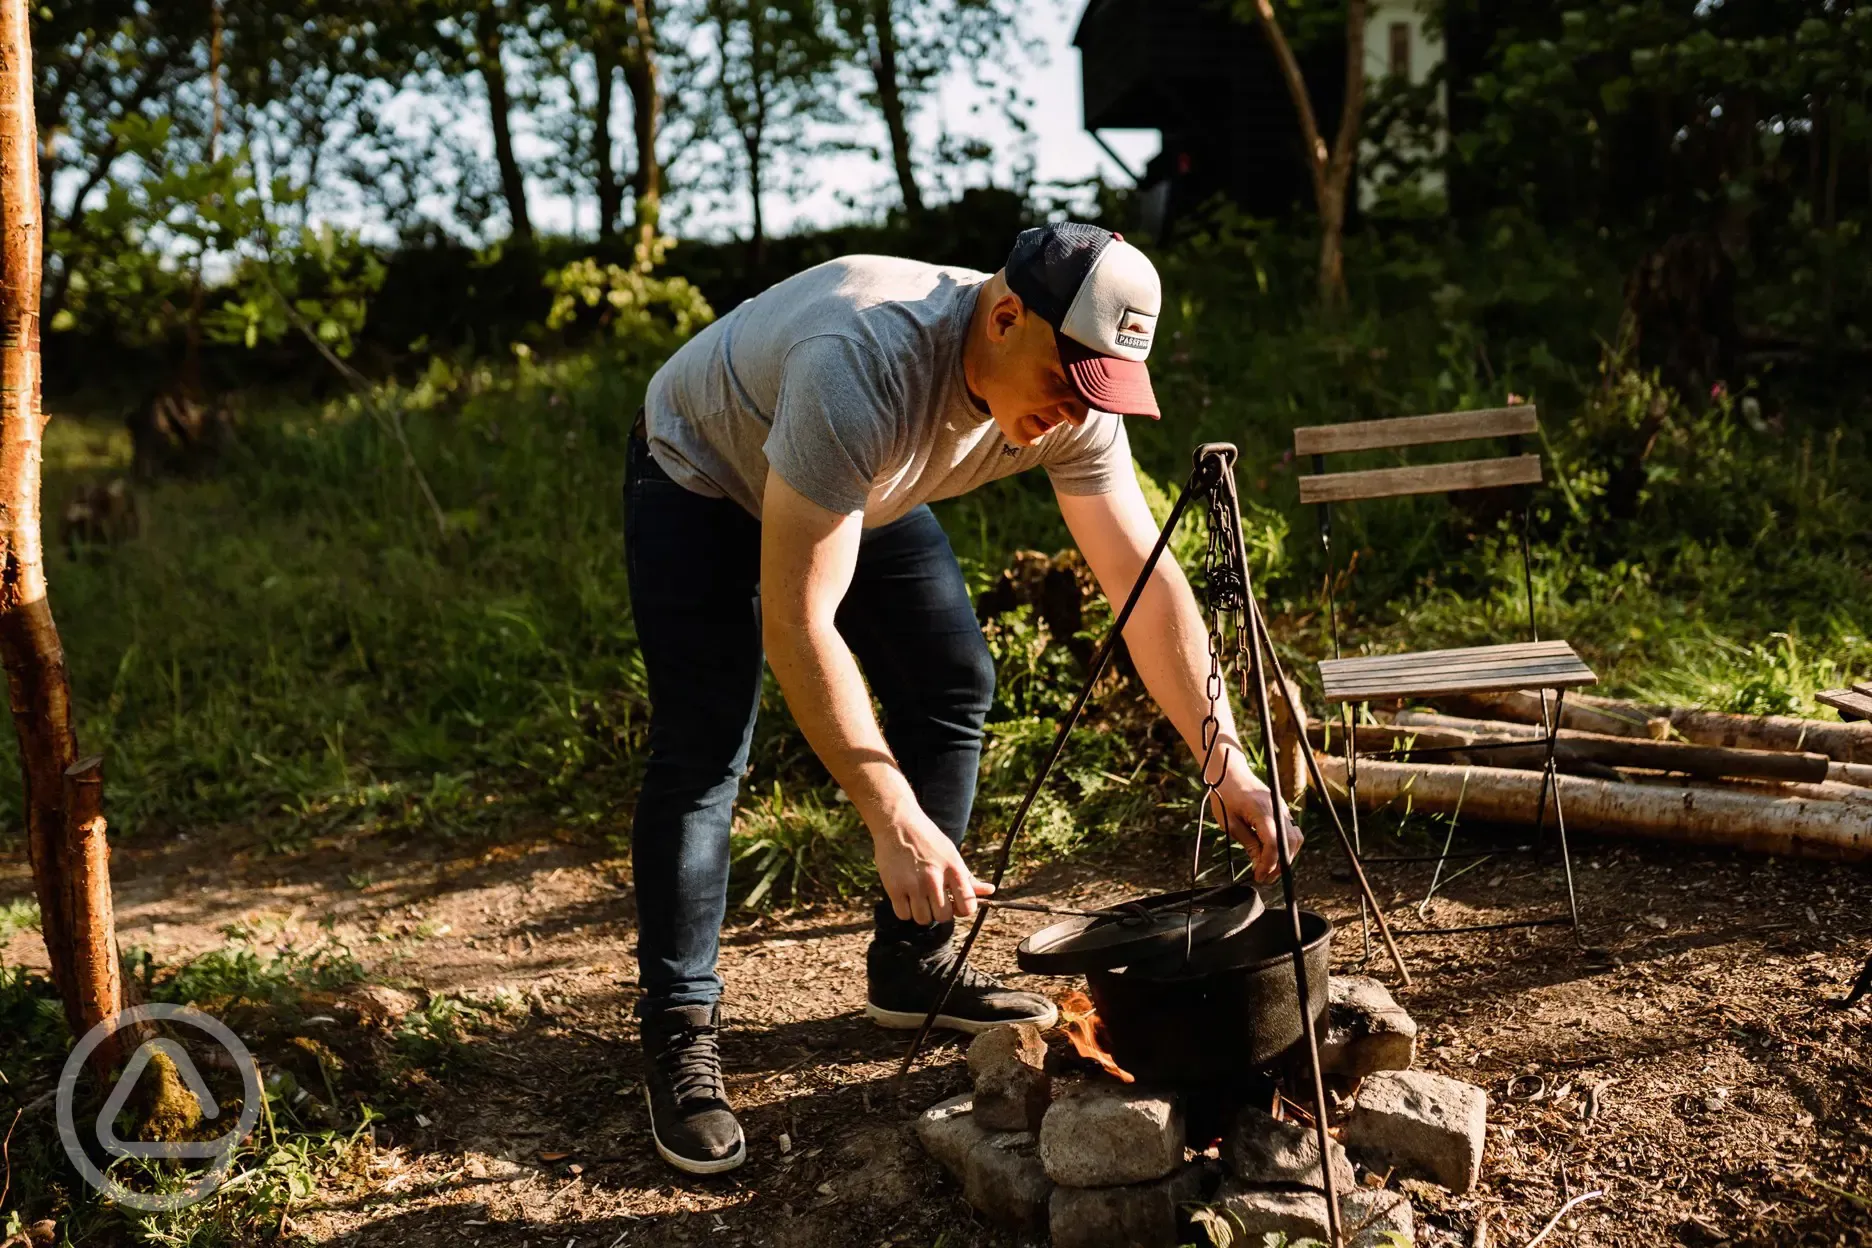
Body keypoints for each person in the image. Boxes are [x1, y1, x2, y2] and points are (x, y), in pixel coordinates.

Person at [625, 222, 1300, 1175]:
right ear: (1005, 314)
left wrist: (1224, 760)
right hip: (704, 472)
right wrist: (890, 814)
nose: (1073, 415)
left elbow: (1144, 584)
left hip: (858, 482)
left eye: (1097, 392)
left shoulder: (1075, 397)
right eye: (1067, 384)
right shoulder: (860, 361)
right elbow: (798, 624)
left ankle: (913, 964)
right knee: (705, 746)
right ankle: (679, 1028)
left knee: (952, 681)